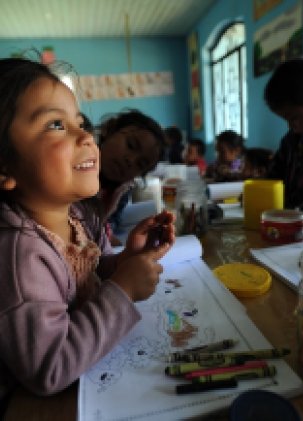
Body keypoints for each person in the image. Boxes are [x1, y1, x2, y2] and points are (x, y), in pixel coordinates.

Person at [0, 57, 175, 416]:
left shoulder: (79, 217)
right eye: (55, 124)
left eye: (79, 123)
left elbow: (79, 281)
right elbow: (47, 368)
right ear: (5, 166)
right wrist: (123, 289)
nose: (84, 135)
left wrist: (121, 263)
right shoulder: (21, 255)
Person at [264, 58, 303, 218]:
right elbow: (272, 177)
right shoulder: (292, 139)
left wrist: (274, 211)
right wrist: (260, 195)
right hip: (291, 222)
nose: (290, 126)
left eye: (293, 118)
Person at [98, 110, 166, 242]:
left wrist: (109, 235)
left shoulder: (120, 191)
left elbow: (110, 222)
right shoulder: (74, 167)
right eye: (131, 145)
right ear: (109, 128)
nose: (131, 160)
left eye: (140, 164)